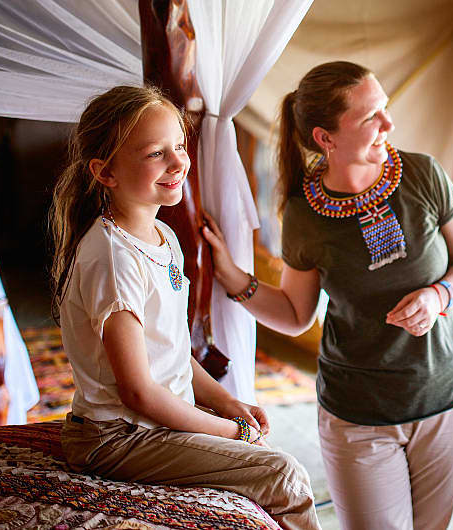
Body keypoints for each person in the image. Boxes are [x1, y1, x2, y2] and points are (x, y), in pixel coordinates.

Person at [203, 61, 453, 530]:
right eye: (369, 117)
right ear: (325, 138)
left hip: (450, 399)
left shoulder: (423, 175)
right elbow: (297, 314)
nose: (388, 125)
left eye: (385, 109)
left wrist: (439, 296)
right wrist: (234, 279)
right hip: (359, 415)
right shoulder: (303, 215)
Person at [48, 85, 320, 530]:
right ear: (106, 172)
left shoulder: (164, 238)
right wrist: (234, 434)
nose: (178, 163)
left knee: (264, 453)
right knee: (281, 474)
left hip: (149, 424)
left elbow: (172, 352)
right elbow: (137, 392)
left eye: (179, 146)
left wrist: (230, 404)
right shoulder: (114, 259)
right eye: (156, 153)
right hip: (117, 437)